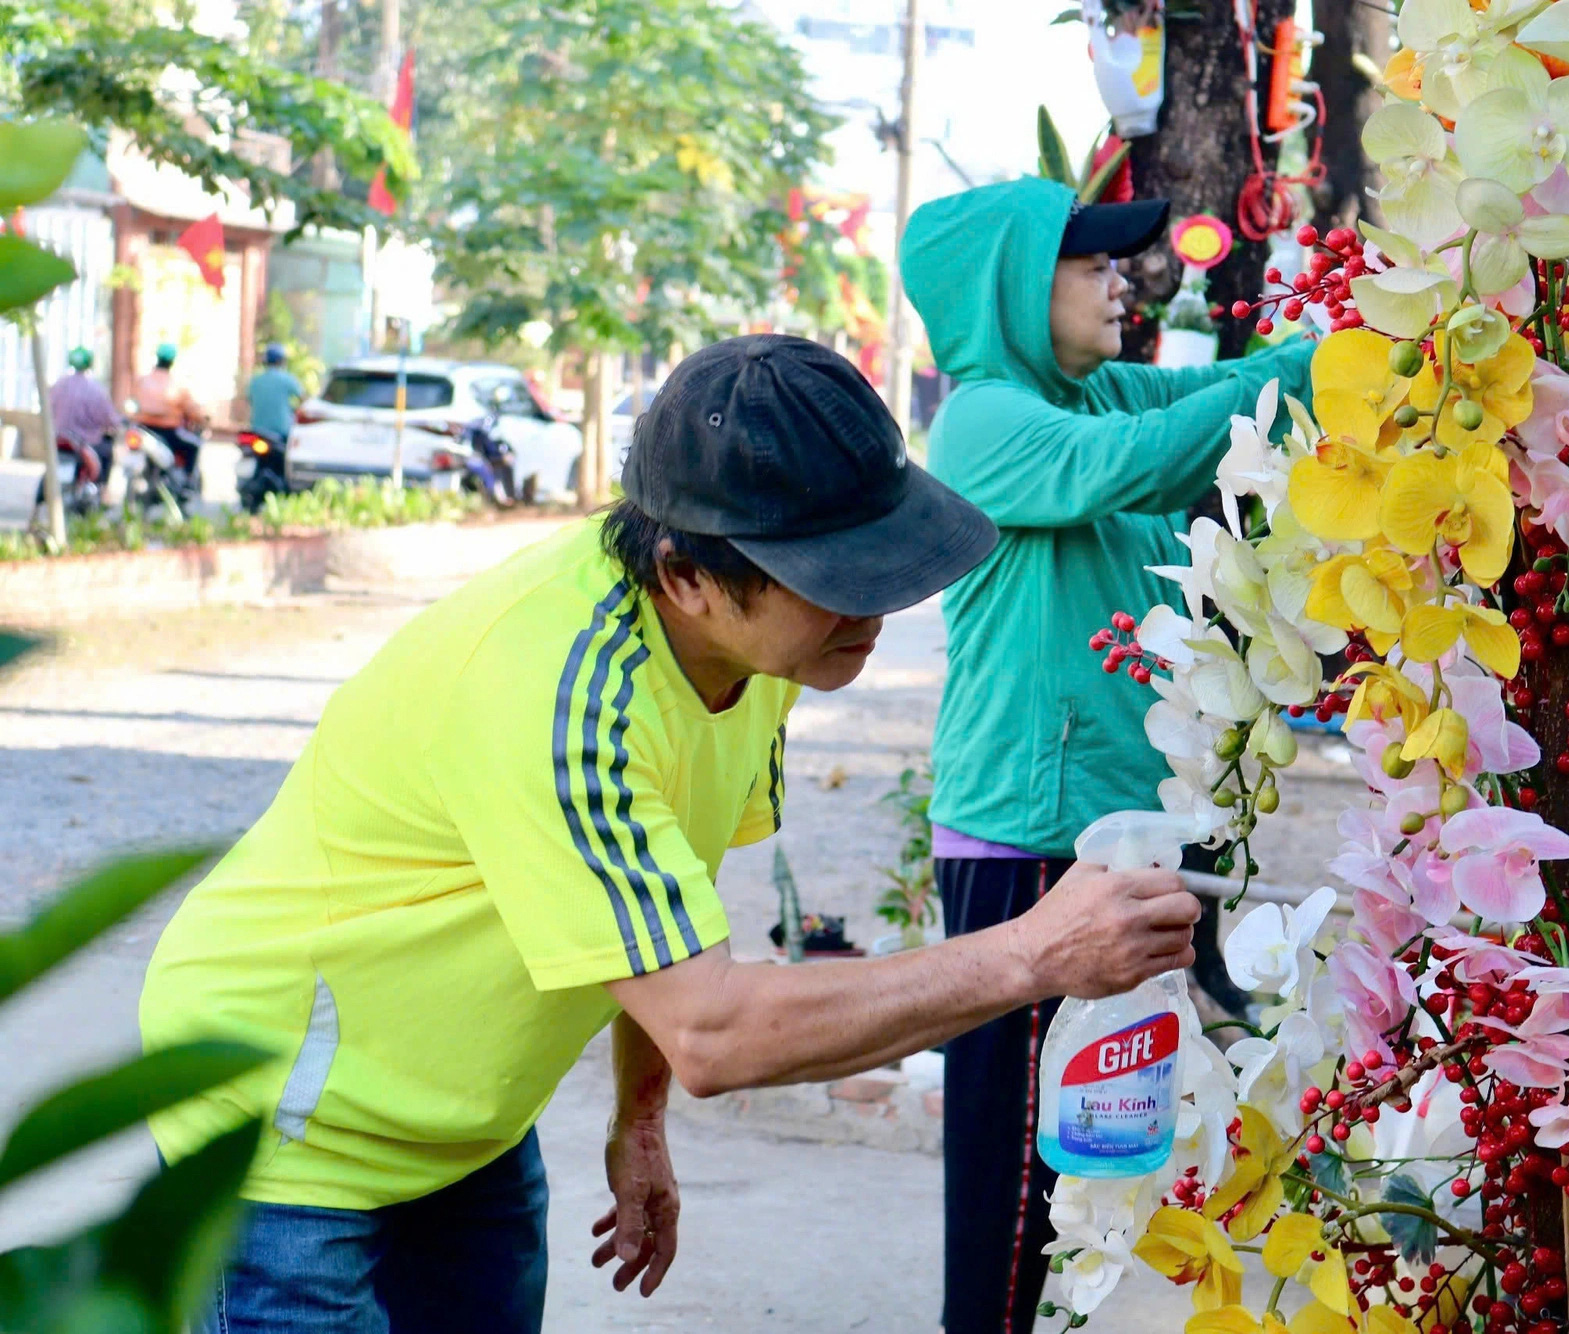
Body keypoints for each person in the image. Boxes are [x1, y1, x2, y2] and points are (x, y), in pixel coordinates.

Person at [138, 334, 1203, 1334]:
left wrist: (636, 1118)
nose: (873, 606)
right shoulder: (562, 694)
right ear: (685, 574)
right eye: (833, 579)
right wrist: (1030, 952)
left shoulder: (755, 655)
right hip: (281, 1123)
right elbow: (713, 1029)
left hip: (462, 1126)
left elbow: (672, 907)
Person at [899, 177, 1315, 1334]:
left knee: (1099, 1136)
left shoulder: (1093, 393)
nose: (1117, 281)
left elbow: (1216, 409)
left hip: (1114, 835)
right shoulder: (985, 417)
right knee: (1011, 1168)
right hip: (1026, 844)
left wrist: (1322, 349)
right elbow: (1137, 461)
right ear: (1009, 295)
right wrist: (1312, 360)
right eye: (1085, 266)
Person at [133, 342, 208, 475]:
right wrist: (202, 418)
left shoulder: (142, 381)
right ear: (172, 361)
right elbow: (192, 410)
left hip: (141, 428)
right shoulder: (177, 384)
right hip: (168, 433)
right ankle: (187, 483)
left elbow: (132, 403)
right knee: (194, 447)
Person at [48, 346, 118, 486]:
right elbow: (108, 418)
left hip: (59, 438)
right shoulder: (95, 389)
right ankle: (100, 487)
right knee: (107, 452)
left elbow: (48, 408)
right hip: (86, 441)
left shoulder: (59, 384)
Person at [246, 343, 305, 446]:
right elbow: (303, 399)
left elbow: (249, 400)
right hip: (282, 431)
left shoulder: (255, 381)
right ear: (281, 360)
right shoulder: (287, 379)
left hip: (257, 430)